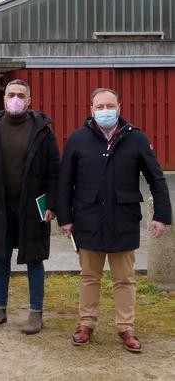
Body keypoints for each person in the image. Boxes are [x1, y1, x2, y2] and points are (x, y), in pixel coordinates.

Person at [57, 87, 171, 353]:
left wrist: (162, 216)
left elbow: (156, 178)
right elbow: (65, 181)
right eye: (100, 106)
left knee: (125, 279)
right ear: (91, 109)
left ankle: (126, 328)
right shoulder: (78, 139)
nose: (105, 111)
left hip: (124, 220)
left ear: (119, 107)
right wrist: (65, 217)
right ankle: (86, 324)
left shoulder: (137, 139)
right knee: (89, 277)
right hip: (88, 219)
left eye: (110, 105)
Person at [0, 79, 60, 335]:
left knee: (35, 259)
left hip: (33, 207)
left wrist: (52, 203)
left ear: (29, 100)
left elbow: (55, 170)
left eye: (21, 95)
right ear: (4, 98)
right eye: (11, 94)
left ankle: (35, 312)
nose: (16, 99)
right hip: (0, 206)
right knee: (0, 258)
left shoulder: (42, 130)